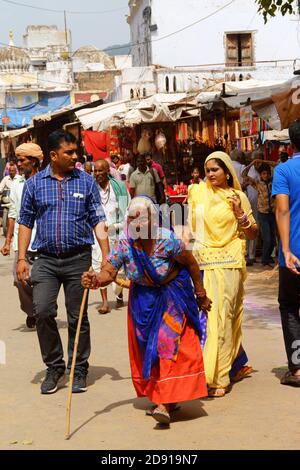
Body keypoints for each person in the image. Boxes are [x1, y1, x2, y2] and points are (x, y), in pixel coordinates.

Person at [82, 196, 211, 425]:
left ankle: (164, 403)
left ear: (153, 219)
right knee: (146, 348)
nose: (136, 223)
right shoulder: (125, 245)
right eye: (132, 218)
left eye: (141, 218)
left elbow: (191, 263)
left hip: (172, 296)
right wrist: (96, 279)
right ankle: (164, 395)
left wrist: (200, 294)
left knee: (166, 344)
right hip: (142, 300)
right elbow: (109, 271)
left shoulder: (168, 240)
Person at [17, 130, 109, 395]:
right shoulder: (34, 185)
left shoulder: (86, 182)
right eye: (69, 152)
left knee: (77, 316)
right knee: (43, 311)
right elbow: (25, 221)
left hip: (77, 259)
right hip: (45, 259)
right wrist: (22, 258)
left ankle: (79, 367)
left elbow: (98, 220)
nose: (75, 156)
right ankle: (55, 366)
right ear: (53, 155)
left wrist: (106, 258)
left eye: (75, 151)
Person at [188, 151, 258, 397]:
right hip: (204, 263)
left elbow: (253, 234)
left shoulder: (236, 196)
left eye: (215, 170)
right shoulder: (197, 192)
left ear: (227, 171)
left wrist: (239, 212)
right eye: (207, 170)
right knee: (209, 319)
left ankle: (219, 377)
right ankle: (214, 370)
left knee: (225, 317)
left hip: (229, 264)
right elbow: (191, 229)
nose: (210, 174)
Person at [1, 143, 43, 329]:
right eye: (17, 160)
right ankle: (32, 310)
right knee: (20, 280)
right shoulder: (17, 185)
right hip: (22, 243)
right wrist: (8, 241)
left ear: (34, 161)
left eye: (22, 160)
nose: (18, 164)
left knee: (42, 281)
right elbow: (12, 215)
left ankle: (44, 306)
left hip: (42, 244)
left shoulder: (45, 183)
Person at [272, 118, 300, 387]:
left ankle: (298, 369)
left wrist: (285, 249)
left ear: (291, 144)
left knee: (291, 307)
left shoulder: (284, 171)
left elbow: (281, 209)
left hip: (294, 253)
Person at [92, 159, 130, 314]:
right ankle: (105, 302)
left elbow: (127, 210)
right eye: (95, 171)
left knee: (118, 268)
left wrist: (115, 226)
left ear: (108, 171)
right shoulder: (91, 189)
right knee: (100, 264)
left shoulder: (119, 188)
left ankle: (119, 294)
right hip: (97, 235)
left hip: (117, 233)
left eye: (100, 171)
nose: (97, 174)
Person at [242, 159, 277, 267]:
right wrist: (252, 163)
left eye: (267, 173)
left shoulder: (273, 181)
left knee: (273, 240)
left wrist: (263, 161)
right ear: (260, 175)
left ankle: (267, 257)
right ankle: (265, 259)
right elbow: (243, 174)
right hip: (262, 214)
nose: (266, 175)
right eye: (263, 173)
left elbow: (277, 165)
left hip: (272, 213)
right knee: (267, 238)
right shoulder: (257, 183)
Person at [242, 151, 261, 266]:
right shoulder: (250, 171)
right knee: (251, 226)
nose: (258, 162)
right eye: (256, 160)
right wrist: (251, 164)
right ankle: (250, 255)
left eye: (260, 159)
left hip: (264, 204)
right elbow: (244, 175)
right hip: (251, 203)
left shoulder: (265, 171)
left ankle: (253, 254)